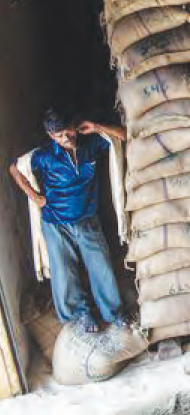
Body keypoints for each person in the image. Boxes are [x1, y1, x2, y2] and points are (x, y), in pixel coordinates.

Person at [9, 109, 127, 333]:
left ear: (76, 125)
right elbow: (14, 168)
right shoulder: (44, 156)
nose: (65, 138)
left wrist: (97, 126)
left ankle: (114, 313)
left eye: (67, 132)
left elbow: (125, 136)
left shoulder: (91, 145)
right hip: (55, 223)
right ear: (50, 136)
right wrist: (35, 197)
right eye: (58, 135)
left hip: (87, 219)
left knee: (101, 268)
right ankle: (80, 315)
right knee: (64, 274)